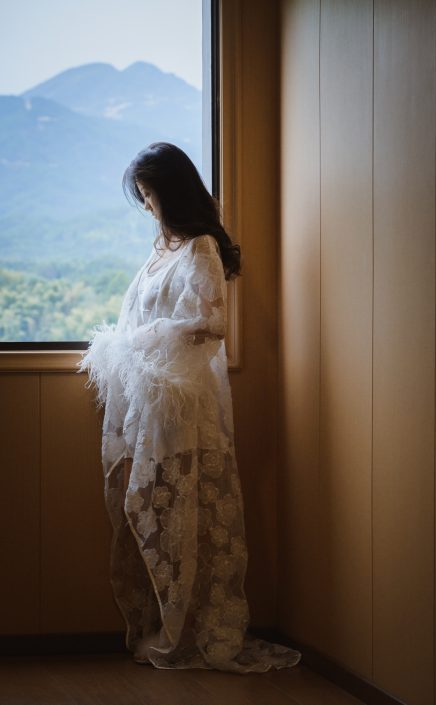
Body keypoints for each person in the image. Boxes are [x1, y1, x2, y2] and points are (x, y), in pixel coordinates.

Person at [77, 142, 301, 673]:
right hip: (151, 401)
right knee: (149, 508)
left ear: (170, 192)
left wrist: (147, 339)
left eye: (149, 193)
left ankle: (192, 630)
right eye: (141, 194)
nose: (146, 204)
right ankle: (167, 623)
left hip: (180, 402)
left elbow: (213, 326)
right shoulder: (163, 247)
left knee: (180, 511)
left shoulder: (200, 248)